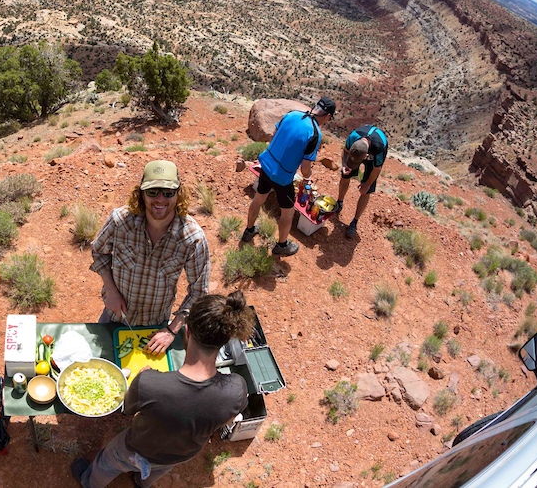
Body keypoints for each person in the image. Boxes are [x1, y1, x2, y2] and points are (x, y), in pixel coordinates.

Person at [71, 291, 254, 488]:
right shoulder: (237, 388)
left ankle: (89, 483)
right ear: (225, 340)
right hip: (183, 453)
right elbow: (225, 419)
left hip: (136, 448)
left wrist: (146, 377)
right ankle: (142, 483)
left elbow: (128, 411)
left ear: (187, 331)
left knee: (108, 462)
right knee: (160, 468)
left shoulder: (149, 383)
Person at [90, 160, 210, 356]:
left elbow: (199, 291)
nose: (160, 199)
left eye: (168, 192)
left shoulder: (192, 238)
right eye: (152, 191)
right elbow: (98, 251)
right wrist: (111, 290)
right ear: (141, 193)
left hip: (156, 327)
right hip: (114, 318)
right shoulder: (120, 221)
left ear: (178, 193)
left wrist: (172, 330)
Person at [240, 96, 335, 256]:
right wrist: (307, 177)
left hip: (267, 164)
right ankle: (282, 246)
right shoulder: (315, 133)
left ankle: (248, 231)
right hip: (282, 177)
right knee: (288, 212)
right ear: (328, 117)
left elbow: (274, 135)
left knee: (259, 198)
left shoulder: (292, 114)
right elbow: (305, 168)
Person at [336, 124, 388, 239]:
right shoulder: (353, 137)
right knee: (345, 175)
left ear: (366, 156)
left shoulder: (379, 148)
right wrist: (345, 164)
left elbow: (377, 169)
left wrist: (367, 184)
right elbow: (345, 151)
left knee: (366, 191)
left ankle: (355, 221)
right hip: (358, 150)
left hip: (373, 158)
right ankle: (339, 202)